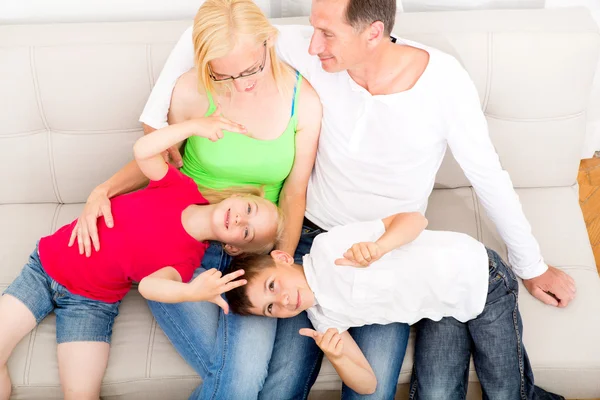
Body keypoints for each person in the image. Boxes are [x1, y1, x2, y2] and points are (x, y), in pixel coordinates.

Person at [121, 0, 577, 397]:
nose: (312, 45)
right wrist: (152, 117)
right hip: (309, 242)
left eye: (326, 34)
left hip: (387, 247)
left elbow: (487, 175)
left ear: (373, 33)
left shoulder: (444, 83)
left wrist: (531, 266)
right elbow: (210, 35)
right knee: (283, 380)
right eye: (314, 29)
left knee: (372, 387)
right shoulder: (305, 50)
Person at [71, 0, 323, 398]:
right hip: (180, 241)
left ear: (268, 42)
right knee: (240, 378)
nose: (241, 84)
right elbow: (160, 162)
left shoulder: (303, 100)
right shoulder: (191, 90)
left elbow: (295, 190)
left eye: (251, 69)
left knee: (280, 382)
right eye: (225, 74)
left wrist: (281, 255)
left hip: (255, 246)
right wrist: (103, 189)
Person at [0, 118, 282, 400]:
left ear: (233, 248)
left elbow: (149, 287)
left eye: (247, 231)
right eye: (248, 208)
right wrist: (194, 127)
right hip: (44, 267)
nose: (241, 219)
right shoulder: (181, 188)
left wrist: (189, 291)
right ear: (236, 195)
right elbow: (144, 150)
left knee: (81, 396)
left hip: (90, 304)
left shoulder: (186, 262)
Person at [224, 213, 564, 400]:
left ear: (282, 259)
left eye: (273, 286)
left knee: (505, 393)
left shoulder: (329, 247)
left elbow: (414, 220)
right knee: (436, 395)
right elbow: (368, 385)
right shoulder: (324, 318)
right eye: (270, 309)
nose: (283, 301)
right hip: (442, 312)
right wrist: (340, 356)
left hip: (481, 280)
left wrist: (380, 247)